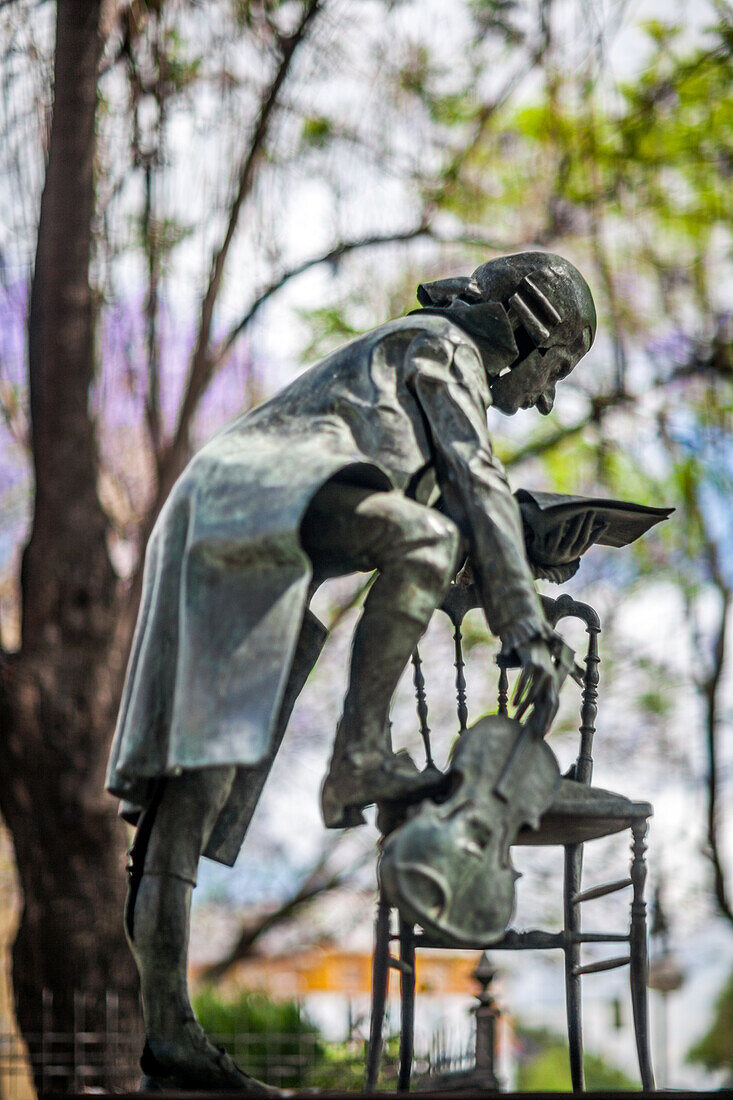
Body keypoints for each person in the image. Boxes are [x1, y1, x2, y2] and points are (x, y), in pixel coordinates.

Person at [106, 251, 597, 1090]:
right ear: (528, 333)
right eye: (554, 371)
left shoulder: (412, 368)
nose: (544, 396)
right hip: (251, 505)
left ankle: (170, 1036)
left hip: (240, 515)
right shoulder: (441, 347)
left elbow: (452, 521)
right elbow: (469, 485)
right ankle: (358, 758)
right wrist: (519, 617)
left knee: (198, 785)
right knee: (427, 538)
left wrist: (521, 560)